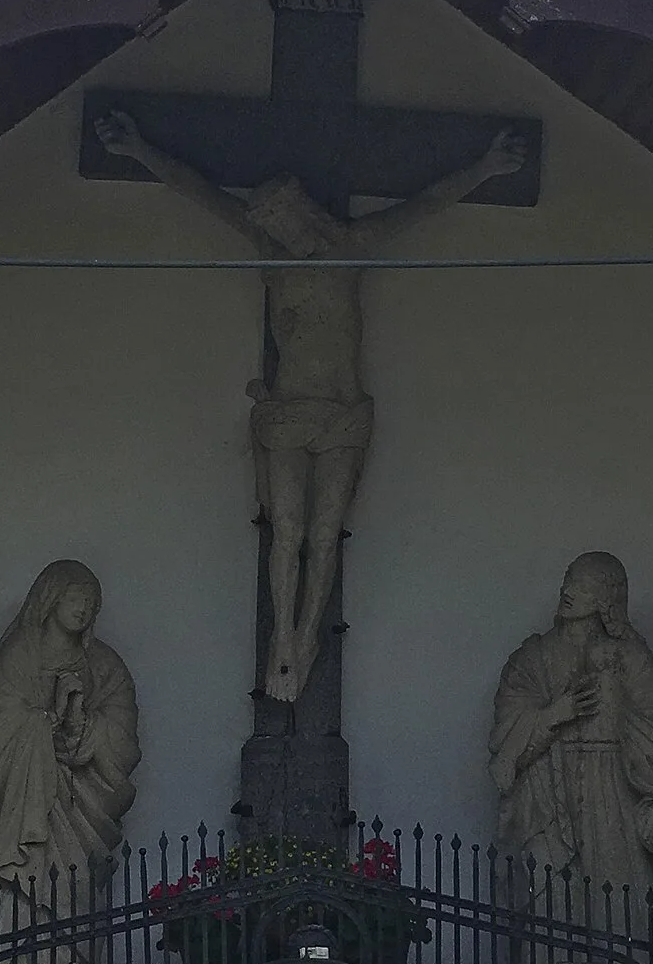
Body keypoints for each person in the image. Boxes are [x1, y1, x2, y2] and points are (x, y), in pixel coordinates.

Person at [95, 106, 525, 701]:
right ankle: (282, 640)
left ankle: (306, 632)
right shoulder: (271, 255)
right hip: (287, 413)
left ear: (304, 213)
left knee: (326, 531)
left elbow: (423, 206)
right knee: (287, 529)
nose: (278, 230)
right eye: (269, 221)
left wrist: (485, 167)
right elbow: (204, 195)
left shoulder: (350, 246)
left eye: (282, 218)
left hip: (343, 413)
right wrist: (140, 150)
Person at [491, 551, 653, 964]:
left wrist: (617, 708)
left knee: (623, 916)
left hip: (613, 798)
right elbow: (504, 740)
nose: (568, 590)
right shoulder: (531, 658)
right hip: (547, 804)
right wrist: (554, 716)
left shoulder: (632, 657)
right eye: (567, 580)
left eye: (582, 584)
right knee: (551, 916)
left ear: (607, 598)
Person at [0, 560, 139, 964]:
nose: (84, 608)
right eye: (77, 597)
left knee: (70, 910)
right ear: (51, 597)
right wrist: (50, 720)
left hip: (78, 817)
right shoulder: (18, 656)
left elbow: (123, 737)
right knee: (11, 912)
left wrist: (84, 724)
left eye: (92, 602)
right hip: (21, 820)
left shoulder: (105, 667)